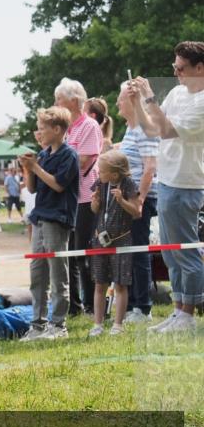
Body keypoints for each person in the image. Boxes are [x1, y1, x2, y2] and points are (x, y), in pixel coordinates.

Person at [129, 41, 204, 333]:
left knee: (186, 253)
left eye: (181, 68)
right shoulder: (176, 93)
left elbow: (166, 129)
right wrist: (137, 101)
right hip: (169, 180)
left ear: (200, 68)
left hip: (187, 184)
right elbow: (150, 128)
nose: (176, 74)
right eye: (174, 68)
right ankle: (177, 311)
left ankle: (188, 313)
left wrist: (149, 98)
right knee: (171, 253)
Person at [18, 107, 80, 341]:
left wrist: (35, 168)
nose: (39, 132)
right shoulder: (43, 155)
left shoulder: (69, 155)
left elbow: (58, 185)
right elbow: (33, 188)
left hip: (58, 218)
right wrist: (28, 169)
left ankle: (58, 324)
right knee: (38, 274)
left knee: (57, 274)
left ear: (58, 129)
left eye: (43, 128)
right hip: (40, 218)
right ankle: (37, 324)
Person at [55, 77, 102, 316]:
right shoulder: (66, 128)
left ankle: (92, 305)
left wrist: (58, 170)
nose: (55, 103)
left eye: (59, 99)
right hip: (69, 199)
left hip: (85, 198)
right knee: (70, 255)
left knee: (82, 253)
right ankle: (74, 305)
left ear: (74, 101)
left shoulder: (89, 126)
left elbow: (83, 161)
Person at [116, 86, 160, 324]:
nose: (117, 105)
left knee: (139, 252)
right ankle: (132, 303)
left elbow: (150, 167)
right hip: (127, 198)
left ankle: (142, 307)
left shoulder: (145, 129)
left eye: (120, 100)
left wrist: (140, 199)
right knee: (130, 253)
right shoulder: (130, 130)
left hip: (141, 198)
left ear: (132, 101)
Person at [88, 150, 142, 336]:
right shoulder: (100, 184)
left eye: (102, 171)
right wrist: (94, 203)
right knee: (99, 283)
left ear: (115, 174)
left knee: (120, 283)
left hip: (121, 240)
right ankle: (98, 324)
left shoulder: (129, 185)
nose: (98, 174)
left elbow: (137, 212)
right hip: (100, 239)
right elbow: (95, 209)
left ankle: (117, 324)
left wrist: (121, 200)